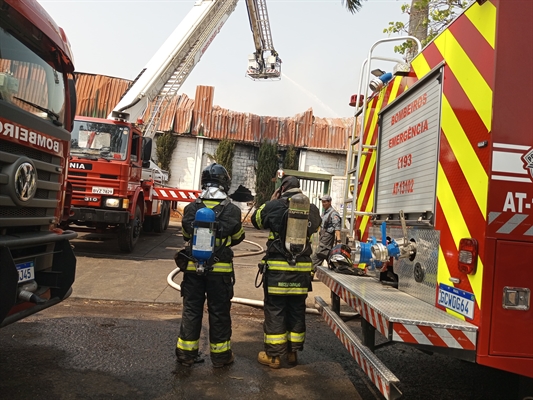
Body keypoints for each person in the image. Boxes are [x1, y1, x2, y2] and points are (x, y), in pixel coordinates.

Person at [174, 163, 245, 368]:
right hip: (219, 272)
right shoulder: (232, 210)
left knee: (191, 310)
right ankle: (221, 357)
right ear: (224, 183)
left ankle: (186, 355)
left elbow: (187, 236)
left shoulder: (191, 208)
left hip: (193, 270)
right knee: (219, 312)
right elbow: (238, 238)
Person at [251, 175, 321, 368]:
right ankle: (292, 353)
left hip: (277, 272)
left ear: (282, 189)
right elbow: (316, 227)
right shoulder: (312, 209)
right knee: (296, 310)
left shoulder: (274, 206)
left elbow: (256, 220)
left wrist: (272, 202)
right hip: (301, 272)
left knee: (275, 310)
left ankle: (273, 356)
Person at [311, 194, 341, 276]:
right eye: (322, 202)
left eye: (325, 202)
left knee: (319, 254)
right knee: (328, 255)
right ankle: (336, 270)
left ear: (329, 202)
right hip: (323, 237)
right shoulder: (325, 213)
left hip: (328, 237)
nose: (323, 204)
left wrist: (338, 240)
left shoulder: (334, 214)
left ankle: (309, 271)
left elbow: (337, 227)